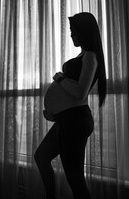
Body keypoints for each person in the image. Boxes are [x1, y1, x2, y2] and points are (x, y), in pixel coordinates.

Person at [34, 12, 106, 199]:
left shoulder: (90, 56)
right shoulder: (83, 55)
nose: (72, 35)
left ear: (83, 31)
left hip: (76, 122)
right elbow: (71, 96)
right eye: (71, 31)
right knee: (41, 157)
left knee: (75, 179)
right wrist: (56, 113)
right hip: (67, 120)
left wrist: (59, 77)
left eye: (74, 31)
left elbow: (80, 92)